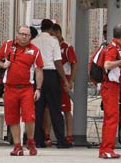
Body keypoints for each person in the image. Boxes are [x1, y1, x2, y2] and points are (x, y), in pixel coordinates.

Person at [0, 25, 43, 156]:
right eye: (21, 33)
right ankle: (17, 145)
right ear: (17, 34)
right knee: (12, 118)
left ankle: (31, 141)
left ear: (30, 37)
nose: (23, 36)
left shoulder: (35, 50)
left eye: (26, 35)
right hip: (10, 88)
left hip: (26, 88)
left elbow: (39, 70)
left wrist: (38, 89)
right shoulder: (7, 46)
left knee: (29, 117)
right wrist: (3, 64)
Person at [32, 19, 71, 148]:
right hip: (51, 75)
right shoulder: (53, 41)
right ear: (51, 29)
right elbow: (57, 62)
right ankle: (61, 140)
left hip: (37, 74)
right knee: (55, 108)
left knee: (38, 109)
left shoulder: (33, 42)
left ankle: (38, 140)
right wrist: (64, 80)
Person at [98, 24, 121, 159]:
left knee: (109, 118)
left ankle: (105, 148)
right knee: (112, 118)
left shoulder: (114, 47)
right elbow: (107, 64)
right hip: (111, 87)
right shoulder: (113, 48)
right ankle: (107, 149)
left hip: (111, 87)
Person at [51, 23, 78, 144]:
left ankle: (69, 135)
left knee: (66, 108)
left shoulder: (67, 47)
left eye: (53, 34)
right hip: (52, 79)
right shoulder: (51, 46)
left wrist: (70, 81)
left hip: (64, 80)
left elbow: (74, 63)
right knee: (49, 108)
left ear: (58, 33)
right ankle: (48, 135)